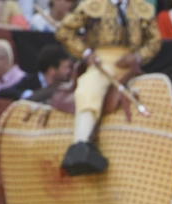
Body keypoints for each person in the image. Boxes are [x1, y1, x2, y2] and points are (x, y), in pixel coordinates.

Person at [54, 0, 162, 176]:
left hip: (131, 66)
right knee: (89, 89)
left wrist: (137, 56)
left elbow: (155, 40)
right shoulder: (92, 4)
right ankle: (80, 144)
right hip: (102, 63)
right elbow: (64, 31)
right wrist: (86, 54)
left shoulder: (142, 7)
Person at [0, 45, 71, 100]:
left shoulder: (67, 84)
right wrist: (31, 95)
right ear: (51, 70)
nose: (69, 71)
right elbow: (2, 93)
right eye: (65, 67)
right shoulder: (29, 81)